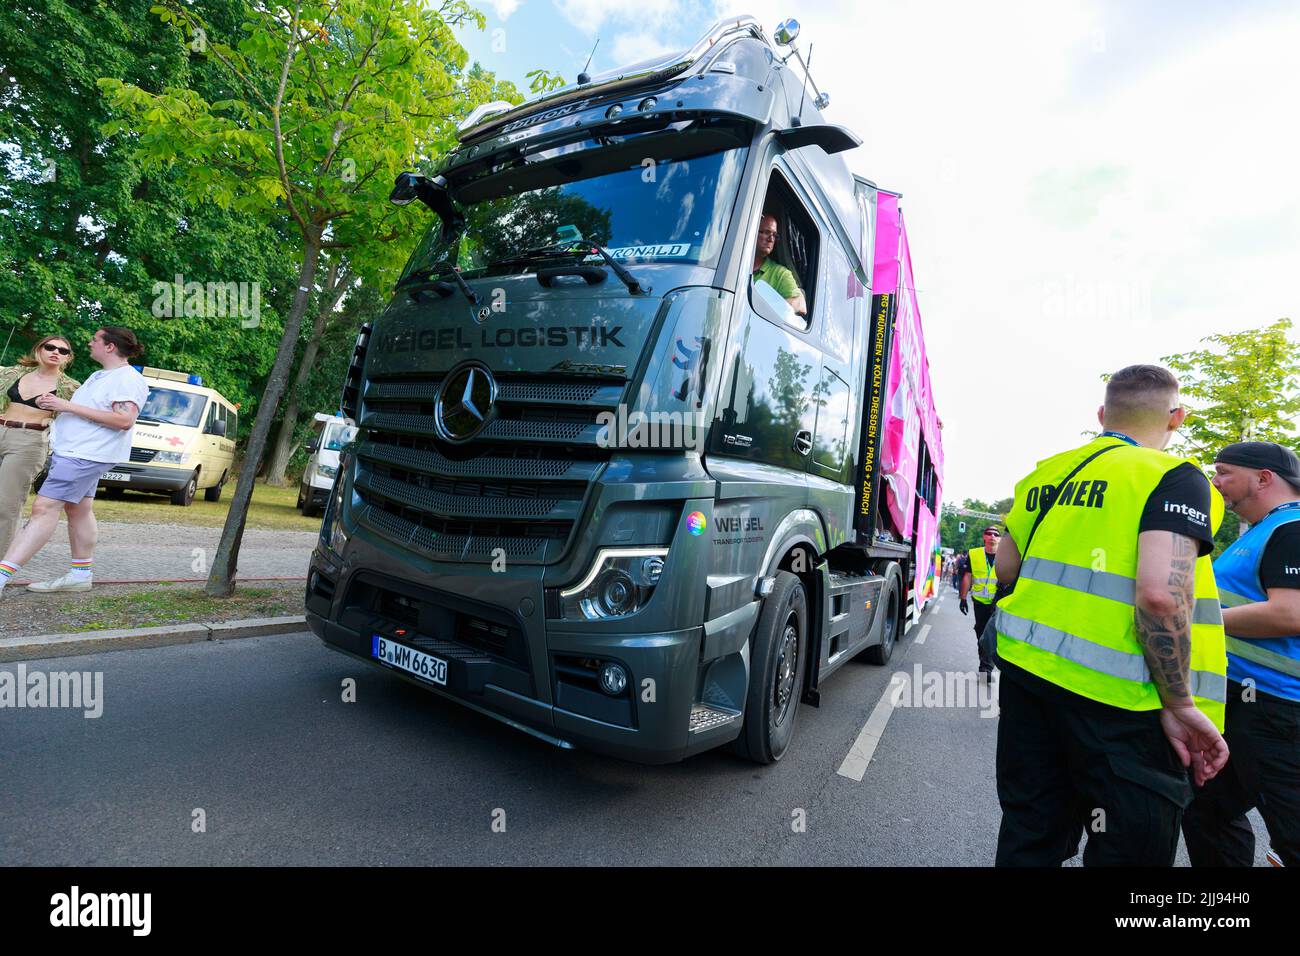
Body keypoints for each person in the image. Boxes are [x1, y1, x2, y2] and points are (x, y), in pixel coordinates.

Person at [991, 364, 1229, 866]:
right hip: (1123, 704)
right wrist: (1181, 703)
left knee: (1030, 834)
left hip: (1029, 678)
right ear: (1176, 417)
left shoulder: (1048, 471)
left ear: (1102, 414)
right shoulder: (1174, 477)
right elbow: (1163, 596)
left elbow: (1006, 564)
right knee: (1129, 850)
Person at [1182, 441, 1300, 866]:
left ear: (1264, 478)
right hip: (1247, 704)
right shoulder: (1266, 530)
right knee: (1206, 810)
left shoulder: (1293, 528)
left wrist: (1193, 621)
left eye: (1224, 472)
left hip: (1275, 711)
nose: (1216, 483)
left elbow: (1291, 613)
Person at [0, 327, 149, 596]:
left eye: (95, 340)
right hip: (75, 452)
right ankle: (80, 574)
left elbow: (124, 420)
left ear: (110, 347)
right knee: (78, 510)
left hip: (86, 455)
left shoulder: (127, 380)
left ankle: (1, 575)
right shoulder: (102, 375)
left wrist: (65, 406)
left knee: (44, 508)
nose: (89, 343)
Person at [0, 336, 80, 554]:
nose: (56, 352)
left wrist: (62, 406)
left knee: (6, 505)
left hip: (29, 441)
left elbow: (83, 416)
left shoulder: (71, 388)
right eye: (50, 347)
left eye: (63, 351)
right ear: (38, 350)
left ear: (67, 358)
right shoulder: (12, 373)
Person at [959, 526, 1001, 679]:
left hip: (998, 602)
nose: (992, 536)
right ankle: (984, 663)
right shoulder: (974, 554)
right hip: (980, 602)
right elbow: (967, 576)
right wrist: (963, 598)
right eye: (989, 533)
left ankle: (986, 668)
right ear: (984, 536)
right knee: (981, 633)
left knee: (992, 634)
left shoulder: (1005, 555)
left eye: (996, 534)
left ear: (1000, 539)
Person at [752, 213, 807, 316]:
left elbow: (801, 305)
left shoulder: (780, 273)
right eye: (767, 232)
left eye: (774, 235)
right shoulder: (736, 263)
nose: (771, 239)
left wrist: (765, 310)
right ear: (753, 231)